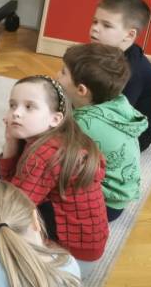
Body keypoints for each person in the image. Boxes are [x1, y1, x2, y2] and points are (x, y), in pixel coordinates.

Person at [0, 75, 108, 275]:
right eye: (13, 105)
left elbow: (12, 206)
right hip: (85, 253)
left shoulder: (46, 153)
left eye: (29, 107)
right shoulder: (51, 138)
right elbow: (9, 183)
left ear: (55, 119)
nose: (16, 113)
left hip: (69, 260)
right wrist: (11, 140)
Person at [57, 43, 146, 221]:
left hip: (104, 204)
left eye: (63, 72)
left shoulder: (84, 124)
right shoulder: (117, 101)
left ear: (81, 90)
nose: (57, 75)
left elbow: (59, 157)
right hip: (118, 198)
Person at [90, 0, 151, 151]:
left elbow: (118, 114)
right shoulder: (107, 51)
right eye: (95, 21)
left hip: (134, 136)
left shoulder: (133, 71)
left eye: (106, 25)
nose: (95, 28)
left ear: (129, 35)